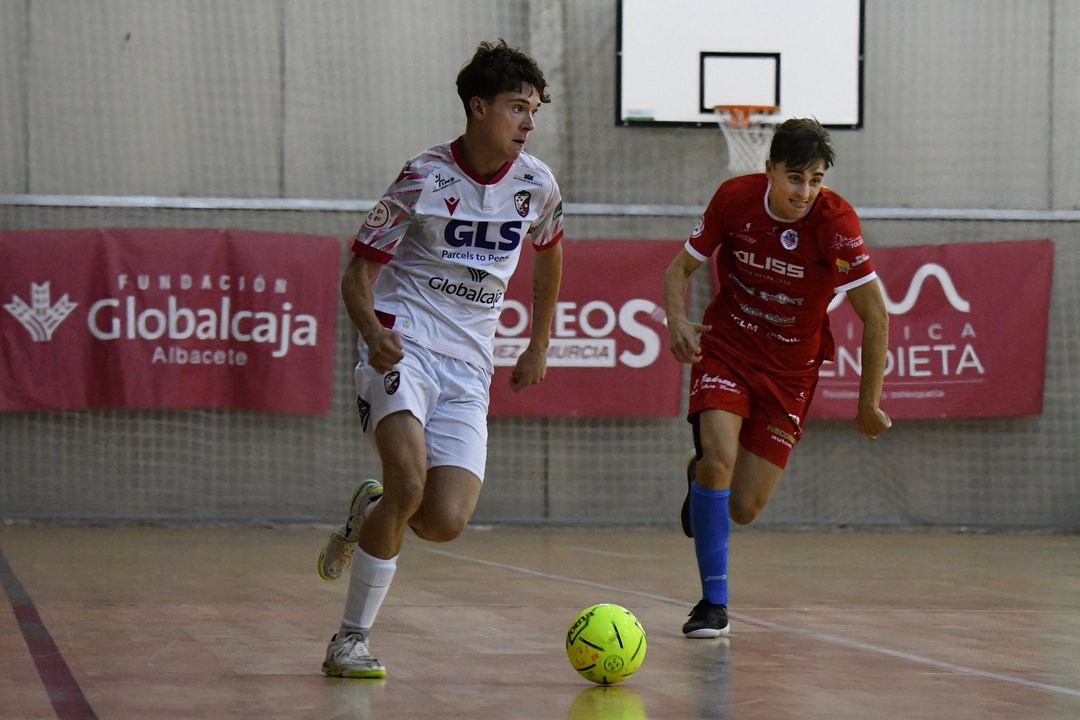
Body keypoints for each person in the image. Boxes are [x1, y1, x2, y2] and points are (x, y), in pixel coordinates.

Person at [316, 39, 564, 678]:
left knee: (445, 520)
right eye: (517, 108)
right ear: (478, 108)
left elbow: (551, 253)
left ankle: (368, 514)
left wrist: (538, 343)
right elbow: (356, 275)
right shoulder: (422, 176)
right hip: (406, 343)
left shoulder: (537, 184)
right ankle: (350, 639)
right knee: (408, 480)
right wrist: (372, 332)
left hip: (469, 363)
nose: (528, 122)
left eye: (534, 110)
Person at [662, 117, 891, 638]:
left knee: (743, 507)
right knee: (721, 461)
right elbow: (678, 270)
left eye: (816, 179)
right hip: (729, 348)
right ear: (768, 171)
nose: (805, 191)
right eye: (794, 178)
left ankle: (699, 475)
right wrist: (677, 321)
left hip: (791, 372)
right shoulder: (734, 200)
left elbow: (875, 313)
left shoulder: (836, 223)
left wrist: (868, 403)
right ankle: (712, 605)